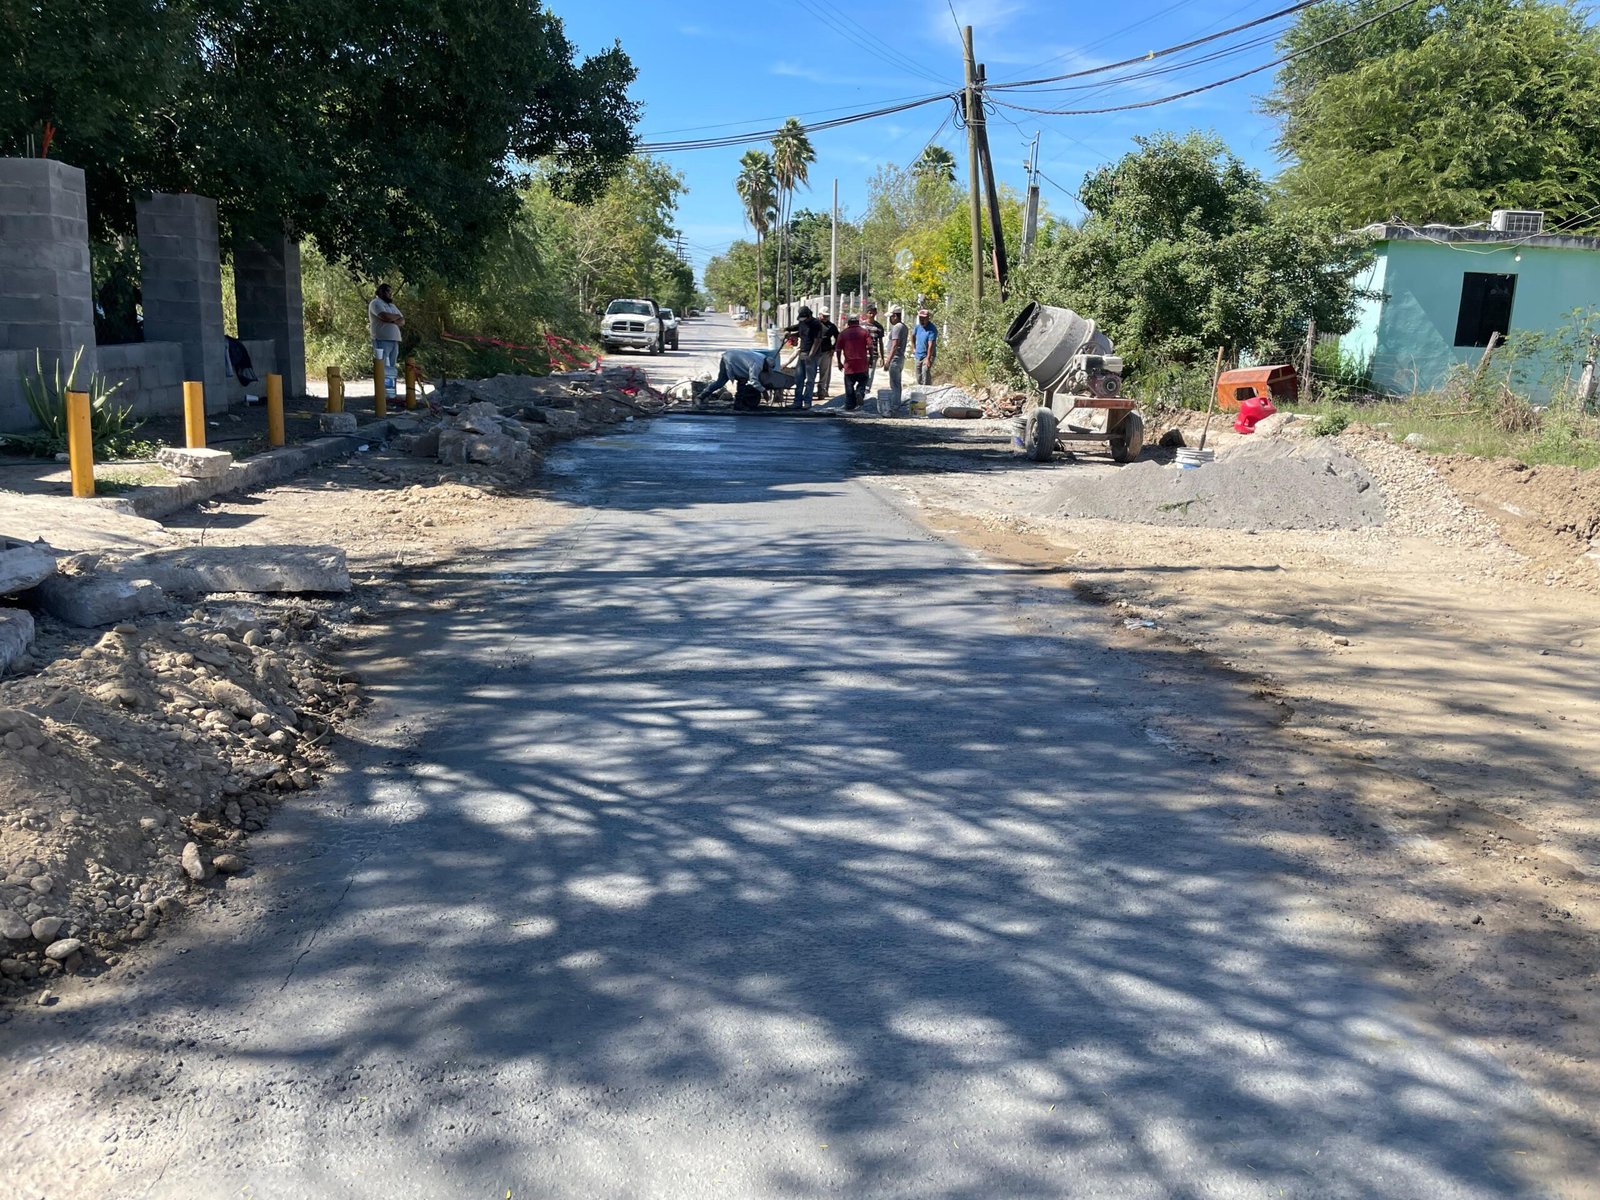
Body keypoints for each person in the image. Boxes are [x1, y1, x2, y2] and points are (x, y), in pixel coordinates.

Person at [697, 346, 785, 407]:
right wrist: (763, 391)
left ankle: (738, 403)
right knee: (720, 382)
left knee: (742, 380)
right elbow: (754, 381)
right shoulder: (757, 365)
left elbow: (747, 367)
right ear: (766, 366)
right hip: (728, 359)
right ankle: (700, 397)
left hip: (736, 360)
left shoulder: (763, 357)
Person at [779, 306, 824, 408]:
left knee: (809, 380)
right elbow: (799, 331)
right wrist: (788, 332)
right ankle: (797, 402)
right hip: (802, 353)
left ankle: (807, 402)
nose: (803, 321)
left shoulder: (816, 324)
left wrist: (811, 355)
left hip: (812, 355)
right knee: (799, 378)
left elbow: (817, 341)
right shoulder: (803, 322)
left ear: (809, 316)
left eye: (805, 318)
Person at [368, 283, 404, 399]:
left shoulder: (391, 306)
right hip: (381, 339)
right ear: (382, 292)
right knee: (382, 366)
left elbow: (402, 320)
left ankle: (390, 393)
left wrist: (393, 319)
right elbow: (384, 316)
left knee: (391, 368)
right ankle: (381, 395)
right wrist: (394, 318)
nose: (390, 294)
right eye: (388, 292)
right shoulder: (376, 303)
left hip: (394, 340)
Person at [835, 314, 873, 411]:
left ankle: (850, 404)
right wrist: (871, 358)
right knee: (863, 380)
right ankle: (860, 391)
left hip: (849, 365)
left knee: (849, 385)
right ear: (857, 322)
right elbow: (870, 346)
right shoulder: (864, 332)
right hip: (862, 364)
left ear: (848, 323)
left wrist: (839, 362)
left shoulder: (843, 334)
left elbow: (838, 349)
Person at [882, 307, 908, 415]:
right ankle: (895, 405)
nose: (890, 320)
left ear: (895, 316)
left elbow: (894, 345)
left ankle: (894, 407)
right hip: (899, 358)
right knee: (896, 383)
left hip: (895, 358)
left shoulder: (897, 327)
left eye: (891, 317)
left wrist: (888, 361)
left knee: (895, 384)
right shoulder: (904, 327)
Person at [814, 311, 839, 402]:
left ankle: (821, 392)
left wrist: (833, 348)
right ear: (819, 314)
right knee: (811, 373)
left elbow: (838, 336)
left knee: (824, 373)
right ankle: (808, 392)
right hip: (813, 352)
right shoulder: (814, 323)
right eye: (823, 315)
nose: (825, 317)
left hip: (826, 352)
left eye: (827, 316)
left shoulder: (831, 326)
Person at [861, 302, 886, 394]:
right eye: (869, 312)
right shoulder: (862, 326)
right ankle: (861, 389)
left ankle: (866, 391)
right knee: (862, 373)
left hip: (874, 354)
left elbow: (881, 342)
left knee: (870, 374)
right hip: (862, 354)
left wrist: (882, 357)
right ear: (866, 314)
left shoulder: (879, 327)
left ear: (875, 313)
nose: (871, 314)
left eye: (873, 312)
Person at [913, 308, 939, 385]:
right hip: (919, 354)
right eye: (920, 318)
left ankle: (927, 388)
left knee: (925, 370)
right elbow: (913, 336)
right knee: (918, 375)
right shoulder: (917, 327)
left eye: (924, 318)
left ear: (928, 318)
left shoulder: (932, 329)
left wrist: (928, 358)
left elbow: (931, 345)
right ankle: (920, 389)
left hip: (928, 354)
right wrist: (913, 347)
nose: (922, 320)